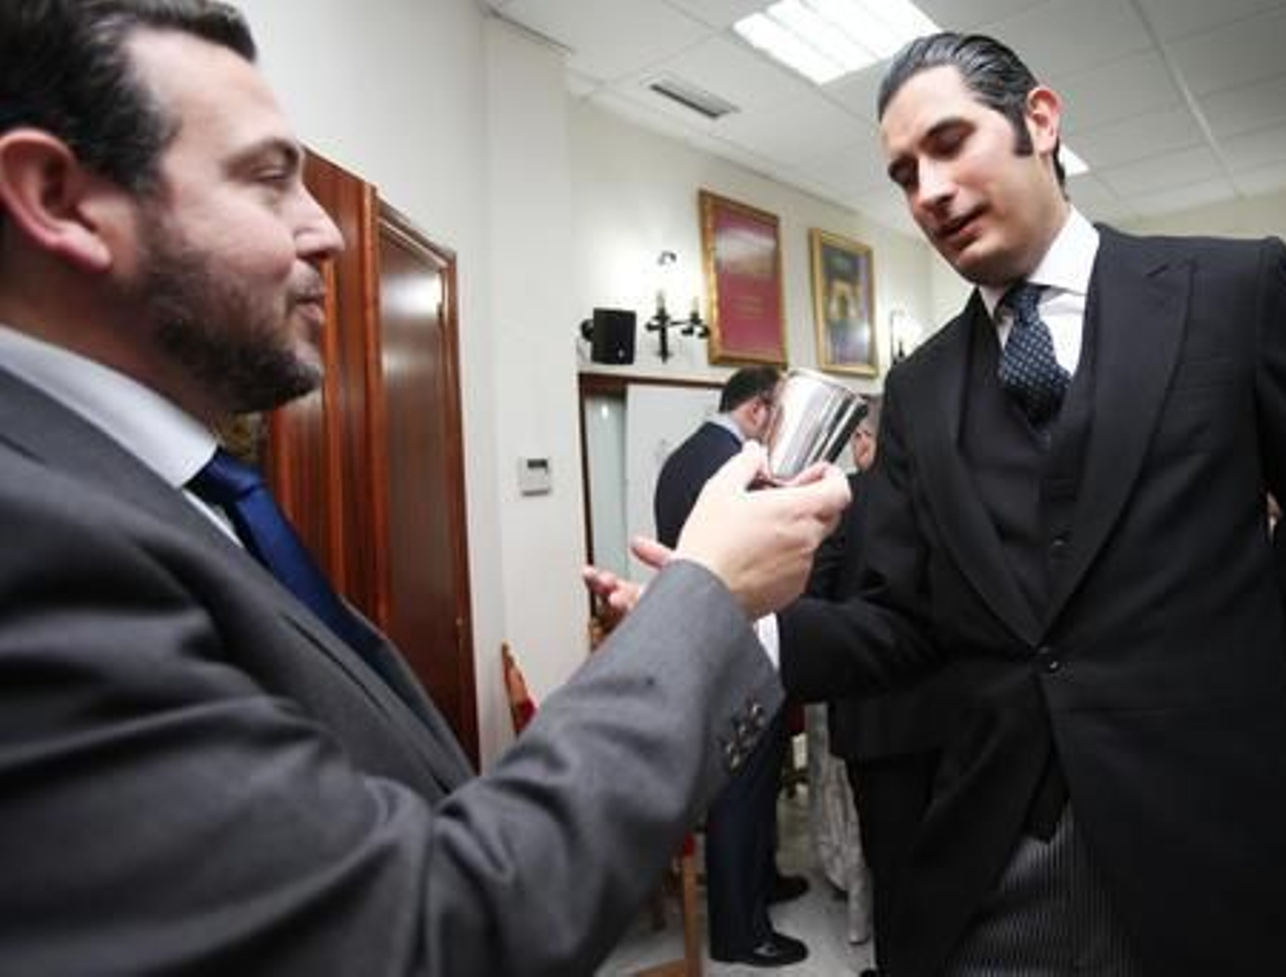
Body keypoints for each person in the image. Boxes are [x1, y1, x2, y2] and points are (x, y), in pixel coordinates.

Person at [0, 3, 848, 973]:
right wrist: (707, 594)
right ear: (59, 198)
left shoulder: (176, 490)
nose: (327, 230)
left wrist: (672, 620)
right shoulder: (30, 535)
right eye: (268, 178)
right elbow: (412, 930)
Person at [768, 32, 1286, 975]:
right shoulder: (919, 387)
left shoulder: (1230, 295)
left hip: (1218, 857)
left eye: (949, 143)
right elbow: (903, 623)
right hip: (992, 874)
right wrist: (736, 629)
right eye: (906, 174)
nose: (930, 191)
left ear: (1040, 120)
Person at [653, 365, 811, 968]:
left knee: (756, 777)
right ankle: (740, 932)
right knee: (741, 789)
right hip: (735, 640)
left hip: (706, 635)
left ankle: (762, 880)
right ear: (757, 410)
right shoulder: (733, 463)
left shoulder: (683, 458)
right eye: (778, 417)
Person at [805, 397, 944, 976]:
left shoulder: (848, 500)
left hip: (872, 715)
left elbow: (814, 595)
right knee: (944, 857)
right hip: (945, 709)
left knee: (890, 864)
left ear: (868, 438)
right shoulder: (941, 494)